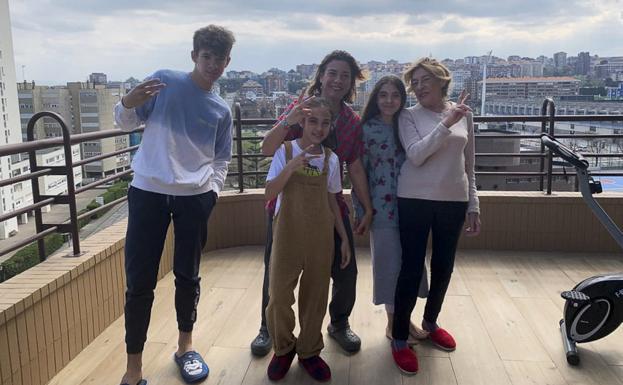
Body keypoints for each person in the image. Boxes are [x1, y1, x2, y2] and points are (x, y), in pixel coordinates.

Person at [113, 25, 234, 385]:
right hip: (148, 192)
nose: (212, 64)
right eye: (206, 56)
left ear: (228, 62)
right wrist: (127, 102)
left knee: (188, 275)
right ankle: (132, 370)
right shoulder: (164, 82)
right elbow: (125, 123)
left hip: (194, 198)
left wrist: (211, 193)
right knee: (139, 282)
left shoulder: (220, 110)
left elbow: (221, 159)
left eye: (220, 58)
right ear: (194, 55)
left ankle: (185, 346)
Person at [251, 50, 373, 356]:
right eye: (332, 73)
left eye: (345, 75)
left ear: (351, 82)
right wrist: (289, 120)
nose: (337, 80)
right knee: (275, 269)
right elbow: (269, 148)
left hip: (328, 203)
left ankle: (338, 323)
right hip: (287, 205)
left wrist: (367, 205)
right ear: (321, 75)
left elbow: (355, 165)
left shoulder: (350, 121)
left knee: (346, 270)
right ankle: (269, 329)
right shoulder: (300, 108)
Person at [390, 58, 481, 375]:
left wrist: (474, 204)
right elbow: (416, 155)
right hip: (414, 198)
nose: (418, 86)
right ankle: (400, 337)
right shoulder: (408, 116)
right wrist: (446, 124)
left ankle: (430, 321)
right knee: (411, 269)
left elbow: (469, 164)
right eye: (414, 82)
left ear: (442, 80)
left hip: (453, 200)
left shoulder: (463, 112)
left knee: (444, 266)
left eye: (425, 79)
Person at [264, 97, 351, 382]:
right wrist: (291, 167)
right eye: (313, 121)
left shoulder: (332, 159)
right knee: (278, 297)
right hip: (287, 236)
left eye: (325, 123)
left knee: (315, 298)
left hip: (320, 238)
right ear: (302, 121)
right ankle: (283, 348)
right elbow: (269, 193)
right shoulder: (285, 152)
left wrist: (344, 239)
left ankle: (310, 351)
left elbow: (332, 201)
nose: (319, 128)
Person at [352, 75, 429, 346]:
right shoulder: (366, 129)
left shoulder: (408, 125)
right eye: (383, 95)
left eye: (395, 95)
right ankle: (392, 320)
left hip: (411, 204)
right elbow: (358, 169)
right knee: (388, 265)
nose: (389, 100)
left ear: (402, 98)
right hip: (380, 208)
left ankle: (404, 318)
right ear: (375, 98)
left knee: (412, 263)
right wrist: (362, 209)